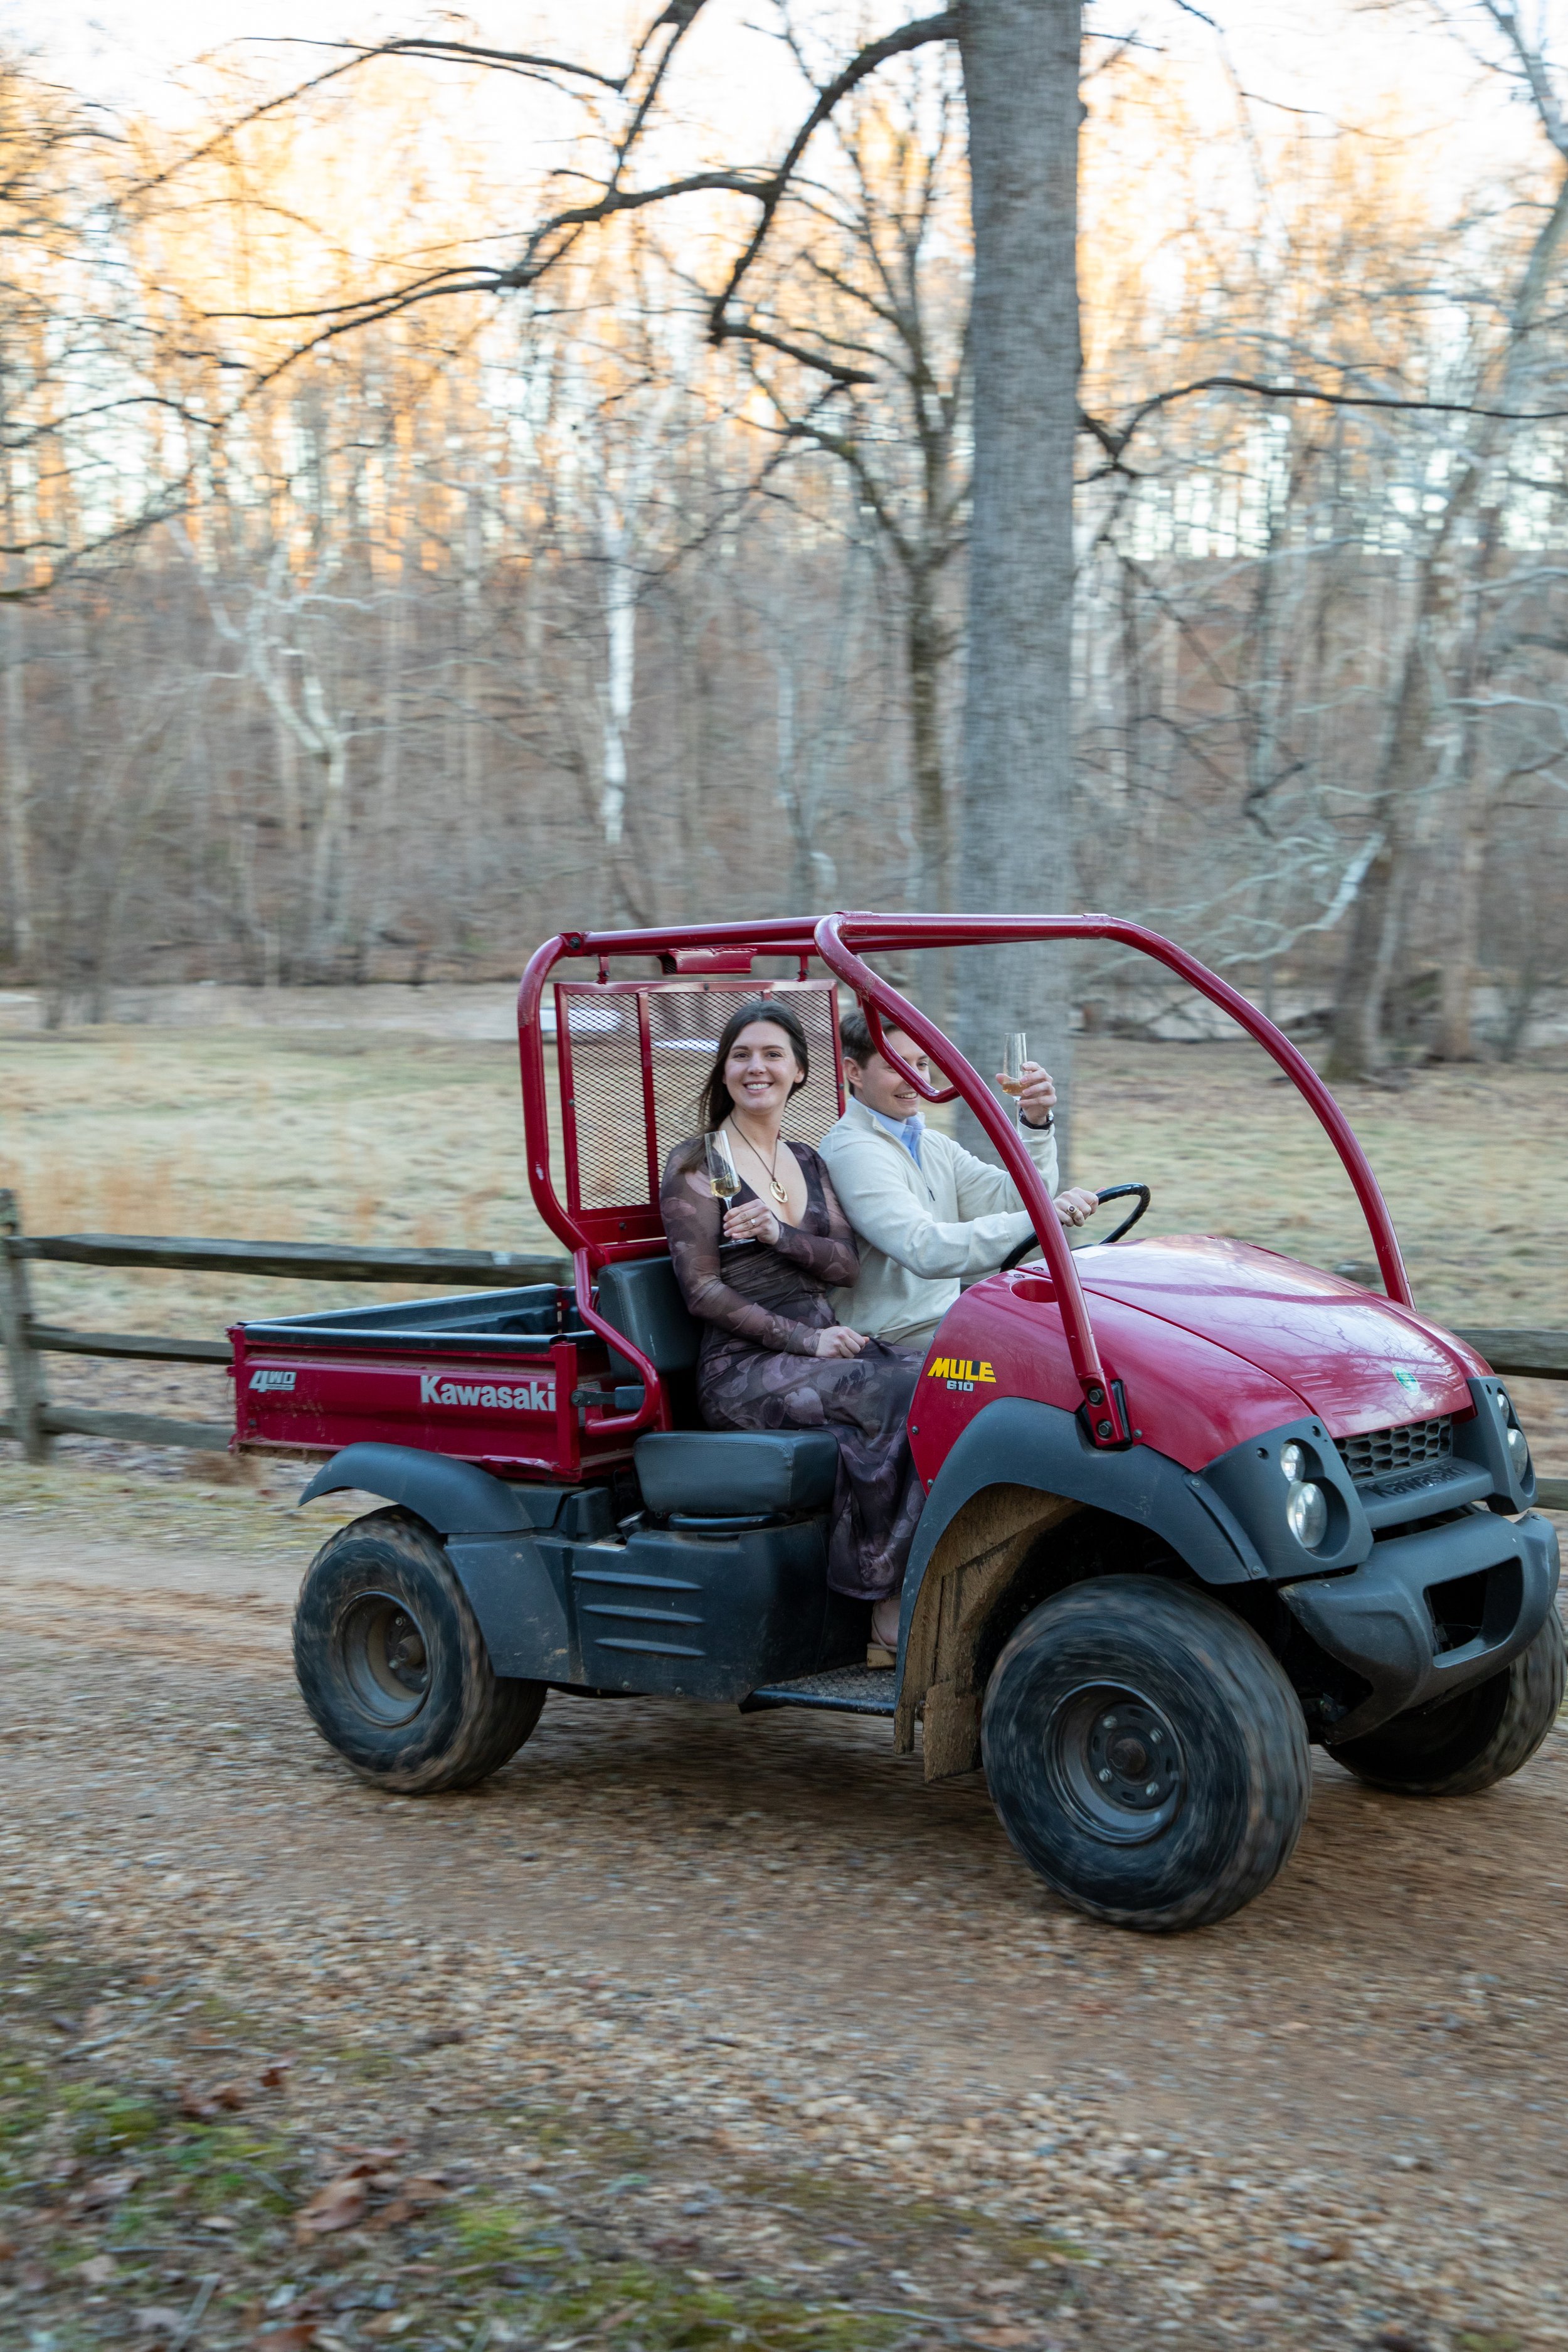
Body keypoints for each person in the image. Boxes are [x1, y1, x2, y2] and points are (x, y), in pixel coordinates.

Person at [659, 997, 924, 1662]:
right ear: (723, 1072)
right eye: (742, 1055)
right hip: (744, 1370)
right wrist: (804, 1341)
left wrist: (779, 1233)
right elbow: (703, 1292)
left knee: (944, 1379)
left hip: (824, 1350)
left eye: (773, 1055)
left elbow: (843, 1265)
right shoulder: (705, 1163)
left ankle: (916, 1582)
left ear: (801, 1072)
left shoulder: (806, 1160)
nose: (757, 1068)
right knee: (893, 1391)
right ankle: (881, 1605)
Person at [818, 1007, 1101, 1360]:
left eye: (921, 1064)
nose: (914, 1079)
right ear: (853, 1072)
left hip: (947, 1315)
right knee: (1045, 1359)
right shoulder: (853, 1151)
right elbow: (924, 1250)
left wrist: (1036, 1123)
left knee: (1081, 1334)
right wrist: (1043, 1216)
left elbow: (1016, 1201)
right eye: (895, 1066)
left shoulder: (929, 1142)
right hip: (890, 1337)